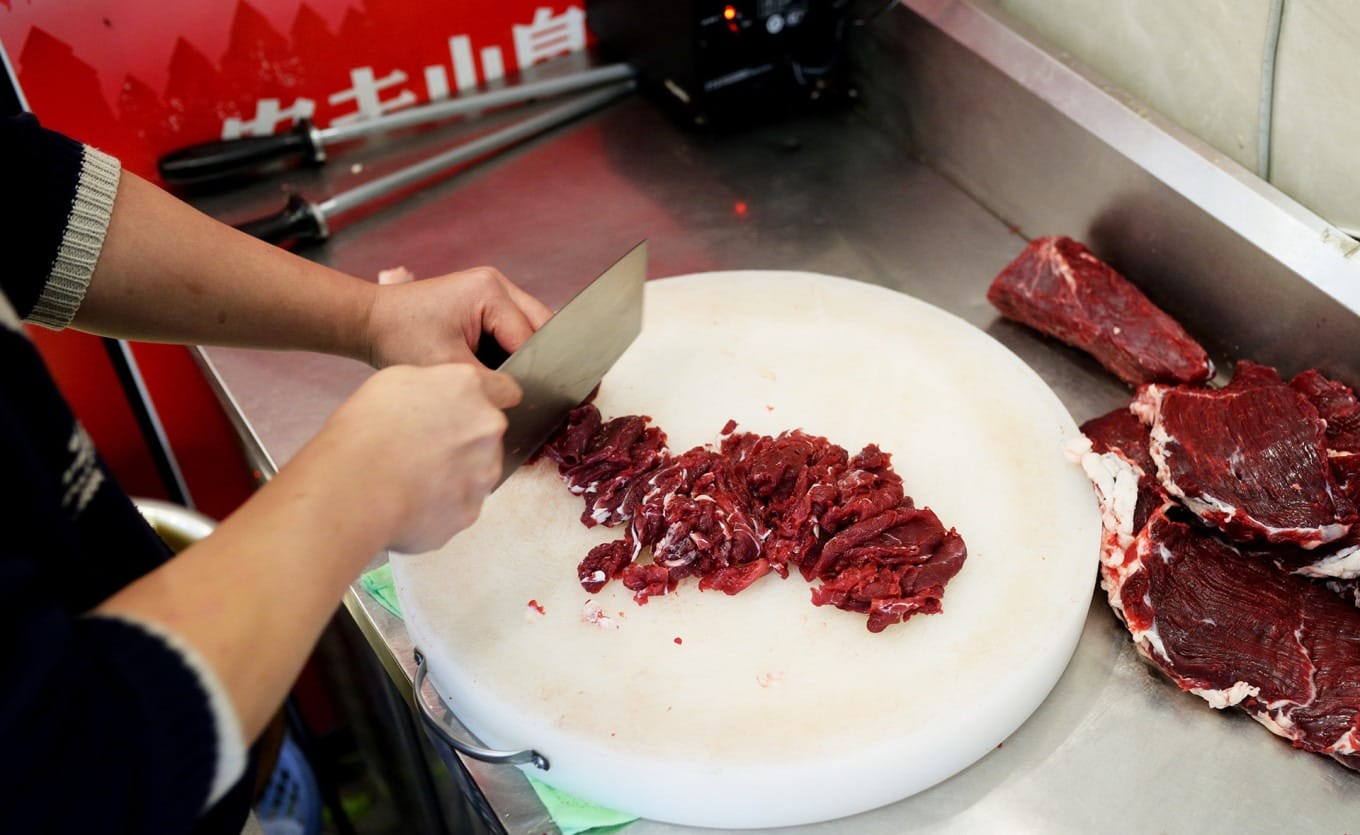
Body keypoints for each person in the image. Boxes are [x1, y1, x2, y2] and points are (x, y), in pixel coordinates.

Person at [1, 112, 554, 834]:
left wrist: (374, 316)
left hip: (190, 746)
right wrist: (358, 482)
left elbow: (24, 196)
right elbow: (65, 777)